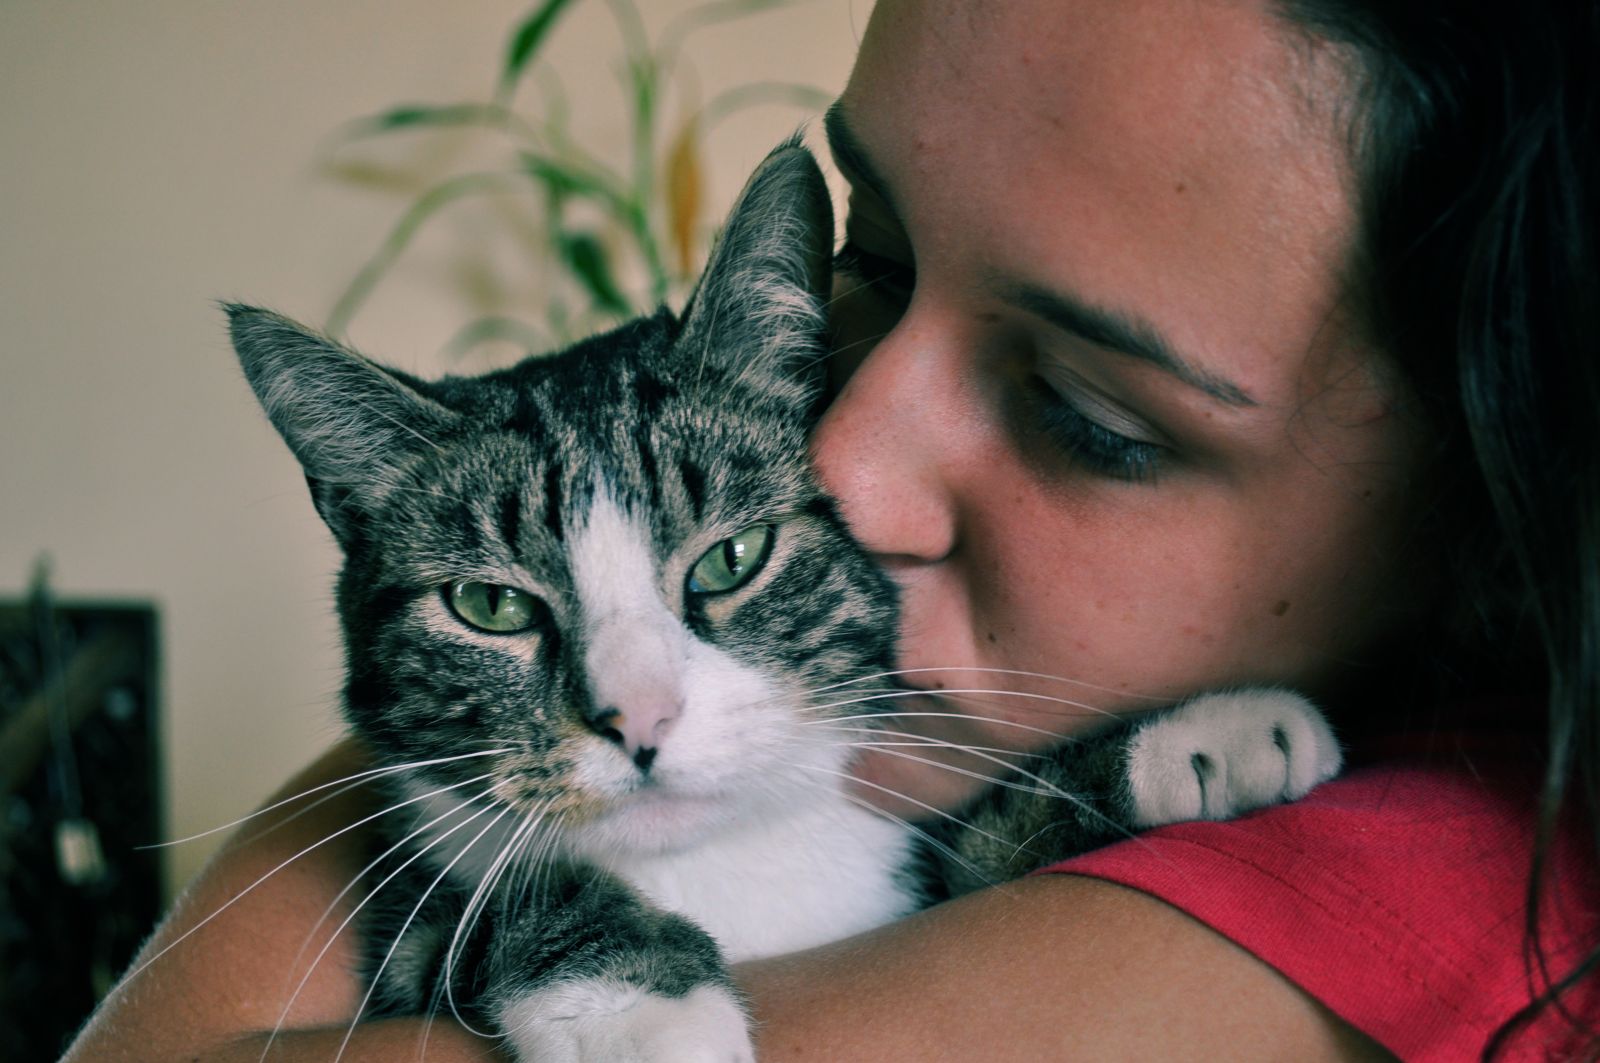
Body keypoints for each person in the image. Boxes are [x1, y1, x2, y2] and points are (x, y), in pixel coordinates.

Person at [66, 0, 1599, 1059]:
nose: (839, 476)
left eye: (1089, 414)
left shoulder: (1467, 900)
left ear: (1497, 523)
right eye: (865, 264)